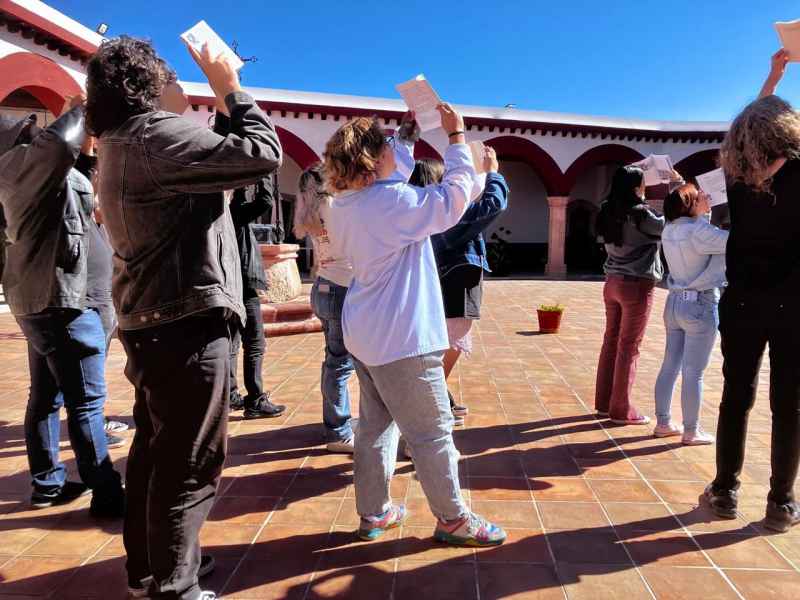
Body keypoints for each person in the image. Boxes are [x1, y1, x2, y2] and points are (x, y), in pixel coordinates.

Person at [86, 36, 282, 599]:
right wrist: (230, 87)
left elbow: (221, 165)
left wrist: (221, 109)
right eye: (169, 77)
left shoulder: (123, 139)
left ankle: (151, 569)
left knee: (155, 451)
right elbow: (262, 155)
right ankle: (177, 586)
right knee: (190, 461)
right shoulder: (155, 134)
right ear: (146, 85)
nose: (179, 85)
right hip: (186, 321)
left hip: (151, 321)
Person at [324, 104, 506, 547]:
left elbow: (394, 175)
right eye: (385, 143)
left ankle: (374, 512)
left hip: (367, 332)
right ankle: (453, 519)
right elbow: (453, 199)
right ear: (372, 160)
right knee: (432, 433)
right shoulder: (392, 203)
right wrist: (457, 138)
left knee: (374, 427)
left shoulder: (344, 204)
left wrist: (406, 134)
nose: (393, 146)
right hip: (402, 338)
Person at [0, 102, 125, 516]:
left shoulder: (36, 176)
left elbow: (73, 178)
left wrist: (87, 147)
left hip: (47, 299)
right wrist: (92, 101)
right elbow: (57, 145)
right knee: (85, 401)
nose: (36, 133)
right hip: (64, 303)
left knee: (45, 396)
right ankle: (107, 494)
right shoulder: (20, 166)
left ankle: (48, 485)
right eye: (26, 131)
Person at [702, 93, 800, 533]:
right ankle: (782, 502)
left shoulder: (735, 177)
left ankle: (725, 490)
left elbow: (751, 122)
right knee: (790, 404)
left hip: (742, 301)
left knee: (736, 396)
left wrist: (773, 78)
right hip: (793, 303)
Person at [409, 149, 509, 425]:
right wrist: (493, 173)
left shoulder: (416, 212)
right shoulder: (445, 214)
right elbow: (493, 205)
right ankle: (431, 406)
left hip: (441, 283)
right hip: (458, 281)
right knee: (451, 344)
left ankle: (441, 398)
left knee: (439, 345)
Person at [215, 104, 285, 419]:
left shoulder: (218, 212)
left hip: (225, 282)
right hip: (243, 280)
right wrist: (264, 169)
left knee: (230, 339)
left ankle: (230, 394)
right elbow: (265, 200)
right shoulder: (236, 213)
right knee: (254, 341)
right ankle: (255, 398)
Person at [653, 184, 728, 445]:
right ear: (691, 204)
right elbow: (730, 241)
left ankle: (663, 422)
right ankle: (691, 430)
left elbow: (703, 236)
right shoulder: (698, 231)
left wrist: (702, 212)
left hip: (674, 302)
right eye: (700, 197)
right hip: (699, 304)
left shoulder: (670, 229)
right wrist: (708, 212)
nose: (705, 198)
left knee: (670, 365)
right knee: (693, 371)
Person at [594, 166, 666, 425]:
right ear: (637, 187)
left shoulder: (606, 211)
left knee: (610, 341)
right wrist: (674, 186)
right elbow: (667, 226)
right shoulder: (641, 214)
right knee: (629, 347)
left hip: (612, 281)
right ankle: (621, 409)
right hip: (637, 285)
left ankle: (604, 403)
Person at [294, 164, 356, 453]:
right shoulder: (331, 205)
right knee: (340, 363)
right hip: (340, 287)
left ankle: (335, 422)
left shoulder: (308, 208)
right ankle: (338, 431)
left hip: (322, 287)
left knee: (333, 360)